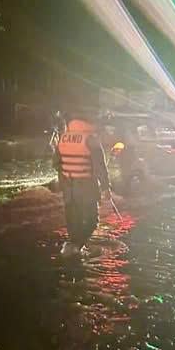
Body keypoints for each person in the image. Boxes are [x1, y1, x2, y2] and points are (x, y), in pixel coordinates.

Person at [54, 109, 111, 258]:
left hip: (68, 188)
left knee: (73, 222)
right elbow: (100, 167)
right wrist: (106, 189)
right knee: (92, 221)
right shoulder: (91, 139)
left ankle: (73, 250)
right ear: (88, 122)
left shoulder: (63, 137)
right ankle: (75, 247)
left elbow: (56, 164)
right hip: (86, 187)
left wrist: (64, 181)